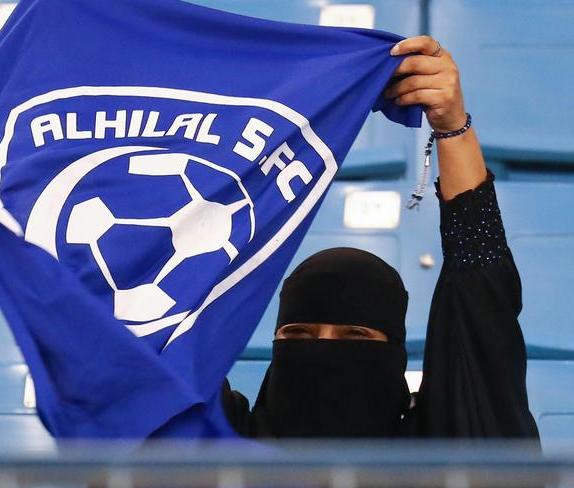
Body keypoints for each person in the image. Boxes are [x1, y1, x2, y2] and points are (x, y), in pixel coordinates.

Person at [221, 35, 540, 439]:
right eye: (298, 334)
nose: (322, 350)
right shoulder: (220, 442)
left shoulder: (440, 450)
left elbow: (480, 287)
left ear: (394, 349)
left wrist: (452, 126)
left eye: (355, 336)